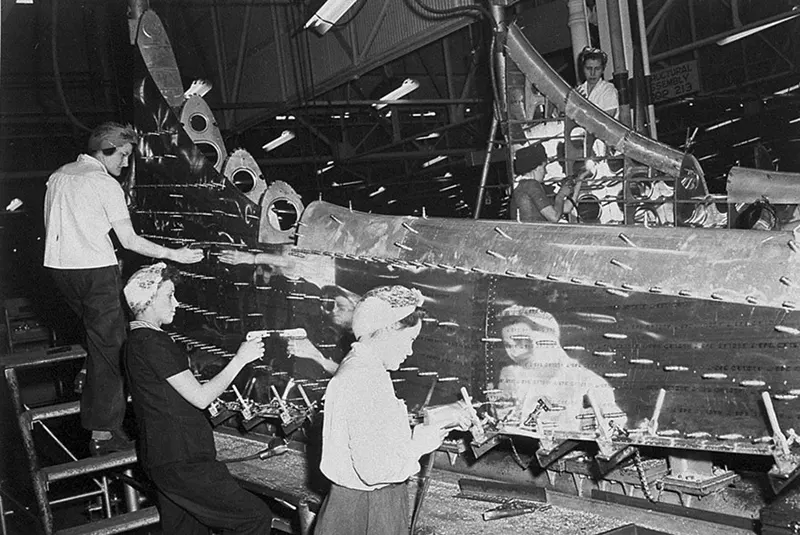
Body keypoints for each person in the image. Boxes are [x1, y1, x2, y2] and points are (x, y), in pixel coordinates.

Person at [43, 122, 203, 456]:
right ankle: (103, 434)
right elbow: (129, 241)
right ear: (105, 150)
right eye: (124, 155)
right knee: (113, 347)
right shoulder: (104, 183)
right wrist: (175, 254)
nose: (127, 163)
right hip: (95, 272)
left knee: (98, 331)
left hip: (59, 271)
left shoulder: (59, 176)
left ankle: (87, 370)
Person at [123, 263, 273, 535]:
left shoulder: (135, 341)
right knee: (254, 518)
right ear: (147, 300)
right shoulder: (152, 341)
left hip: (162, 457)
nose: (176, 303)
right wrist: (240, 359)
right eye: (169, 295)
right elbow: (200, 398)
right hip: (183, 459)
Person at [314, 285, 467, 535]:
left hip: (366, 503)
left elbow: (378, 429)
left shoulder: (366, 368)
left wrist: (442, 416)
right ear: (386, 329)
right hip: (366, 509)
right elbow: (374, 471)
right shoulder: (362, 377)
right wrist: (418, 445)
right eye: (409, 340)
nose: (410, 351)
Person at [495, 305, 626, 434]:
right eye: (508, 345)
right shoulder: (514, 377)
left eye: (523, 342)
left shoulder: (589, 383)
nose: (515, 353)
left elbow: (613, 425)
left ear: (549, 337)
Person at [510, 143, 574, 222]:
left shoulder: (523, 186)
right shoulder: (531, 185)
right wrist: (561, 195)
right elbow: (554, 217)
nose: (546, 172)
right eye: (544, 167)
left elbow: (567, 208)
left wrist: (579, 180)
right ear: (535, 168)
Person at [576, 46, 618, 119]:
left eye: (597, 69)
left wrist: (582, 106)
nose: (593, 73)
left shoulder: (608, 90)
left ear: (603, 70)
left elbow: (606, 120)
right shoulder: (579, 90)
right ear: (583, 68)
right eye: (588, 68)